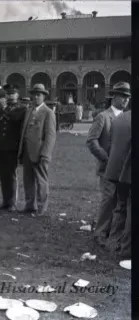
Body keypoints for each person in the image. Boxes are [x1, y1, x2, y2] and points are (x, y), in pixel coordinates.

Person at [86, 82, 130, 247]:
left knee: (120, 201)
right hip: (107, 168)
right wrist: (106, 158)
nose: (125, 100)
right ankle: (100, 233)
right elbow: (91, 141)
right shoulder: (103, 117)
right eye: (122, 96)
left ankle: (113, 230)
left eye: (128, 97)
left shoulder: (127, 117)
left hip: (123, 169)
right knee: (108, 200)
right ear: (114, 96)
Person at [18, 83, 56, 215]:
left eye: (39, 94)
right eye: (34, 94)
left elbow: (50, 136)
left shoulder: (48, 113)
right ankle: (30, 205)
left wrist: (45, 154)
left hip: (40, 153)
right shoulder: (29, 110)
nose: (36, 97)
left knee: (41, 181)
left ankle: (41, 208)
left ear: (44, 96)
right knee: (28, 180)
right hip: (27, 152)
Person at [0, 84, 27, 212]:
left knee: (11, 175)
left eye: (12, 93)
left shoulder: (21, 108)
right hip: (1, 146)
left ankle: (12, 202)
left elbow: (15, 119)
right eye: (8, 94)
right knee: (2, 175)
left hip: (12, 146)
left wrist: (4, 108)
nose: (10, 96)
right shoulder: (1, 109)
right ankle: (5, 201)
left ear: (17, 95)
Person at [103, 90, 131, 257]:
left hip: (116, 172)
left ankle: (113, 242)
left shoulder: (120, 118)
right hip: (129, 173)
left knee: (120, 207)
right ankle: (127, 249)